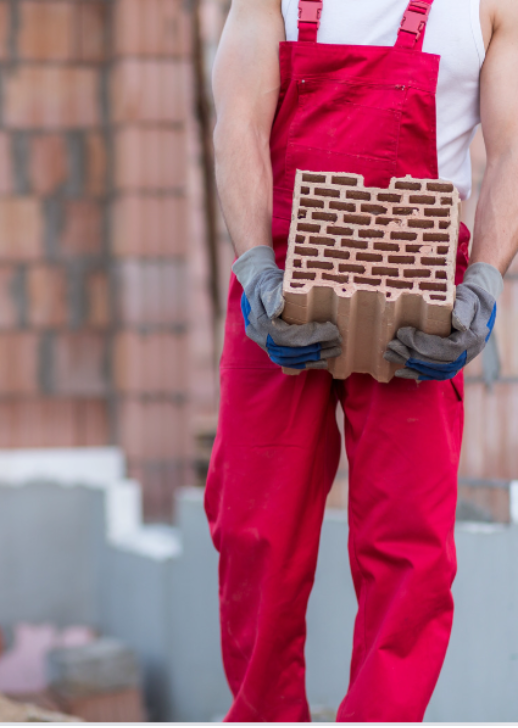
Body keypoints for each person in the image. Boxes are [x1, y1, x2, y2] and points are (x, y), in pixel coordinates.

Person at [206, 0, 517, 720]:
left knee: (410, 548)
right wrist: (256, 270)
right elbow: (240, 122)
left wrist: (484, 283)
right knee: (255, 528)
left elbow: (511, 148)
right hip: (281, 280)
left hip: (421, 289)